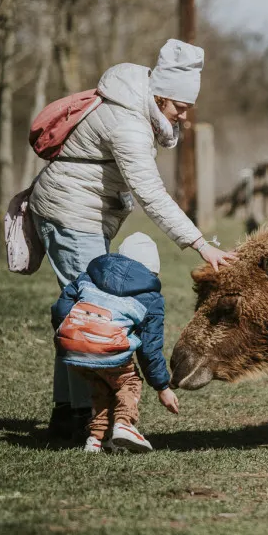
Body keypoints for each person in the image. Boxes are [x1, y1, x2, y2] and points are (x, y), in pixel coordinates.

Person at [30, 39, 236, 439]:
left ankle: (71, 412)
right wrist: (200, 243)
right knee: (93, 313)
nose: (184, 116)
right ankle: (86, 417)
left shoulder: (137, 110)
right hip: (70, 212)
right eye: (180, 107)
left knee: (84, 310)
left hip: (82, 214)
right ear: (160, 96)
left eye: (189, 108)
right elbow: (151, 194)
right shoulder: (128, 124)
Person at [52, 232, 179, 453]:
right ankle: (124, 424)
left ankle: (95, 439)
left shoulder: (89, 276)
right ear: (152, 270)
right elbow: (150, 349)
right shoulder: (151, 297)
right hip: (108, 349)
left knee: (102, 387)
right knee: (127, 383)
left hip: (73, 349)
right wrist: (162, 387)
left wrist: (67, 332)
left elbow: (61, 307)